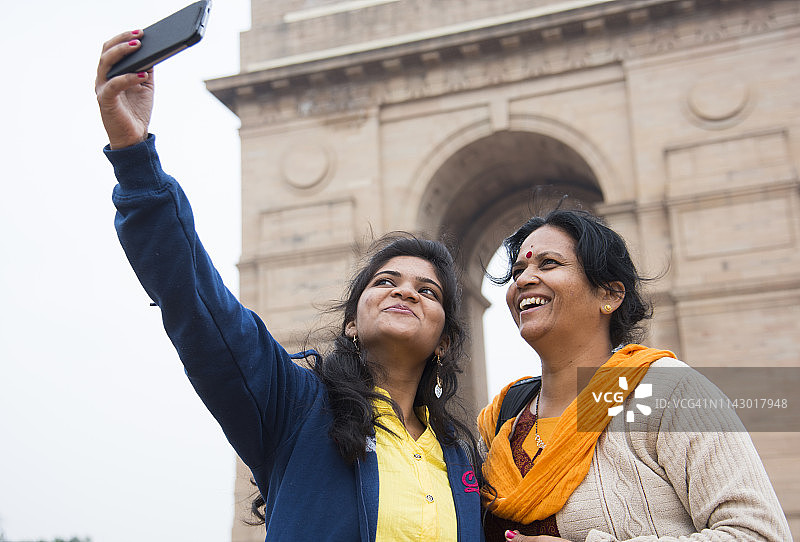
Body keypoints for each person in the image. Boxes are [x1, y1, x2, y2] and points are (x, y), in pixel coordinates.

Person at [95, 31, 484, 541]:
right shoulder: (293, 407)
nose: (405, 291)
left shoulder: (465, 455)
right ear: (350, 324)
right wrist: (134, 156)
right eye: (385, 281)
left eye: (427, 291)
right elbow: (196, 299)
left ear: (447, 341)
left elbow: (585, 449)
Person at [477, 207, 792, 542]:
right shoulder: (501, 419)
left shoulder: (663, 391)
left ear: (610, 295)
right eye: (518, 270)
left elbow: (760, 535)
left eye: (548, 263)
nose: (523, 280)